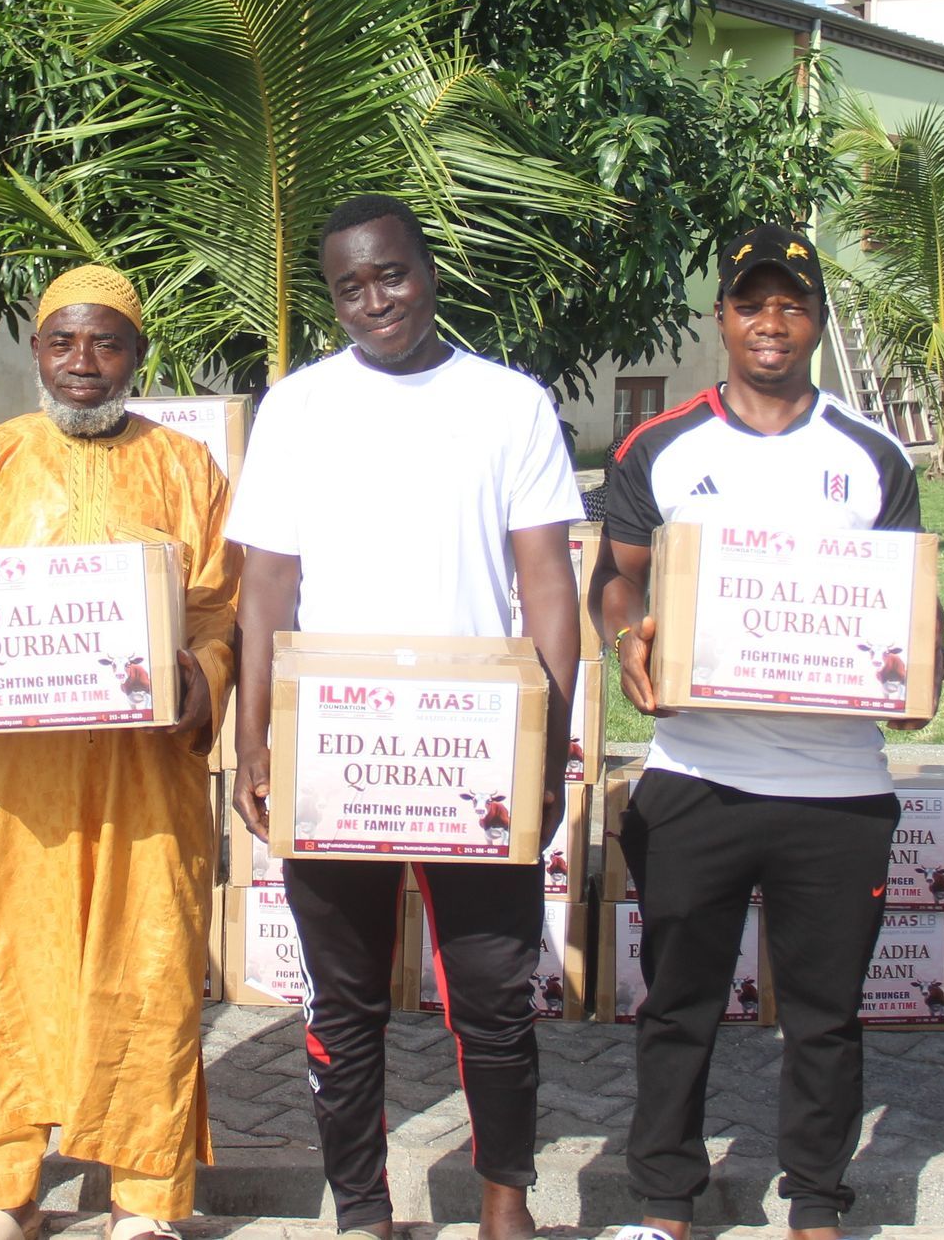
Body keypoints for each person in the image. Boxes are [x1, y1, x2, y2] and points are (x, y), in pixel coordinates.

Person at [0, 265, 240, 1240]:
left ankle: (145, 1199)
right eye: (63, 341)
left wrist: (200, 676)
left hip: (139, 785)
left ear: (138, 355)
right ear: (35, 350)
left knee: (147, 968)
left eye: (106, 341)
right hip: (2, 795)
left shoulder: (186, 468)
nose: (83, 363)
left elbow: (221, 607)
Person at [227, 193, 583, 1240]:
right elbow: (265, 586)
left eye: (392, 274)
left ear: (428, 270)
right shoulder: (295, 407)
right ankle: (363, 1211)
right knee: (342, 1003)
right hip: (338, 751)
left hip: (473, 755)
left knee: (493, 995)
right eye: (350, 285)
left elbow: (548, 587)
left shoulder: (510, 402)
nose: (375, 299)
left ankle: (505, 1203)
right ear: (332, 296)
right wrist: (255, 737)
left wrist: (547, 752)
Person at [589, 223, 944, 1240]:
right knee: (678, 1004)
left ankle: (818, 1206)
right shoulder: (660, 447)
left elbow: (916, 613)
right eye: (752, 302)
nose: (772, 321)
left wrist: (921, 674)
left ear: (820, 319)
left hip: (836, 790)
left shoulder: (870, 454)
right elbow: (614, 579)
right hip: (696, 773)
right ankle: (663, 1205)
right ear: (722, 318)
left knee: (827, 1018)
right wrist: (632, 640)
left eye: (792, 302)